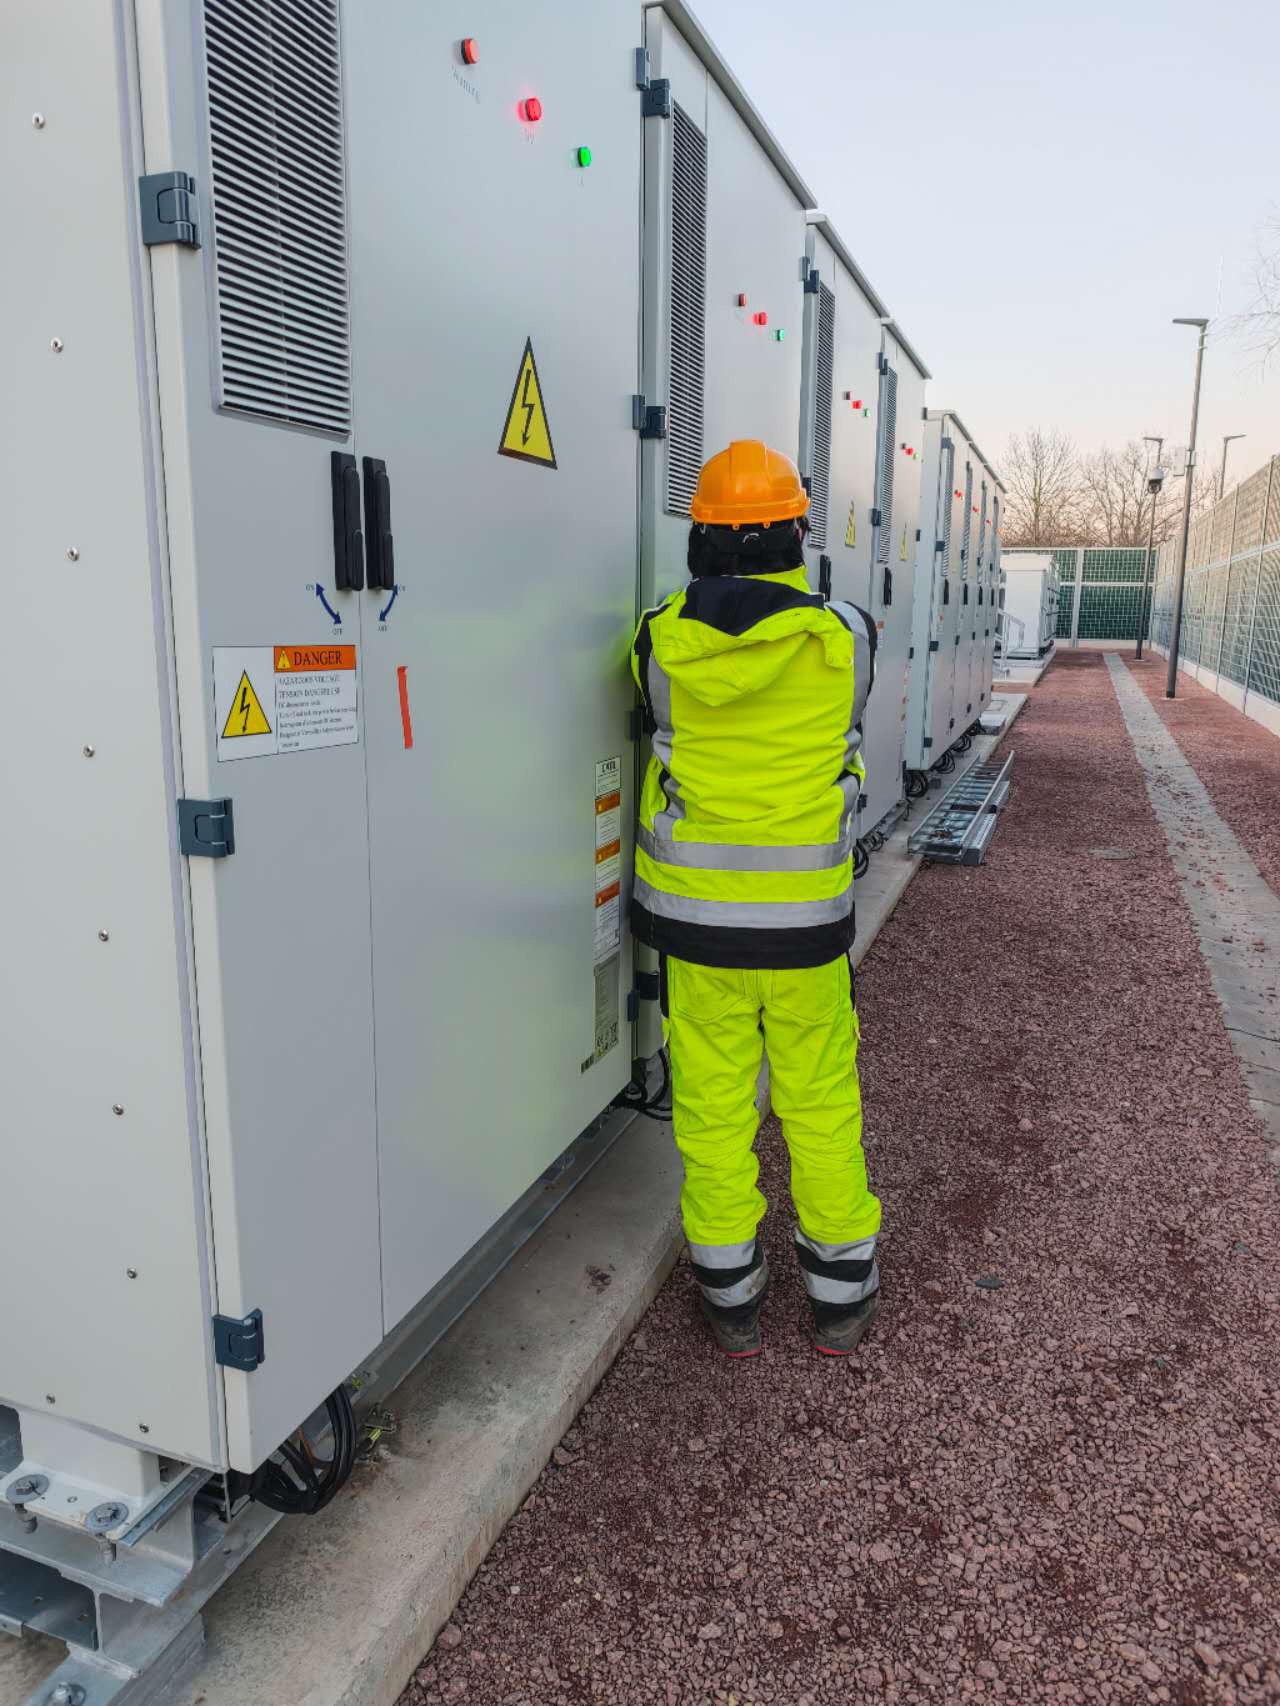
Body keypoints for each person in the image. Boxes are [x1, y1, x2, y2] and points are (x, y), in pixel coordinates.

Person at [630, 440, 881, 1358]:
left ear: (700, 538)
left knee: (711, 1106)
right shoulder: (847, 637)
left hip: (698, 926)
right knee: (820, 1100)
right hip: (806, 927)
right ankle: (840, 1293)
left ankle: (730, 1295)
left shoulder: (657, 641)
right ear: (795, 537)